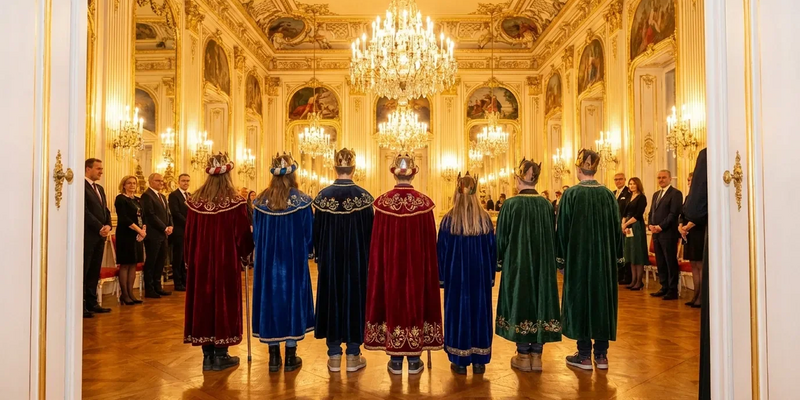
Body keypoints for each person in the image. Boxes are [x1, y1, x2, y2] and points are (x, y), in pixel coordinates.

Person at [364, 154, 443, 375]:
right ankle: (415, 358)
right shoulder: (425, 205)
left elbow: (376, 247)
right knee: (415, 303)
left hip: (389, 270)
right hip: (418, 270)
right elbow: (430, 248)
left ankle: (396, 360)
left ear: (393, 173)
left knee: (393, 302)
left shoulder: (382, 204)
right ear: (414, 173)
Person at [184, 153, 254, 371]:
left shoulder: (195, 201)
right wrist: (246, 254)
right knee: (224, 303)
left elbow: (188, 235)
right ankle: (221, 354)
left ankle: (207, 355)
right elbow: (242, 236)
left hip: (200, 262)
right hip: (225, 262)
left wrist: (189, 259)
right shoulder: (235, 202)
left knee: (203, 303)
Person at [557, 149, 623, 370]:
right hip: (604, 261)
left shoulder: (571, 194)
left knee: (581, 301)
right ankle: (602, 355)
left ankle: (584, 355)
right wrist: (617, 258)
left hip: (578, 260)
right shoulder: (608, 195)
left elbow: (563, 231)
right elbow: (617, 230)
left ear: (578, 169)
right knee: (601, 301)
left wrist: (561, 260)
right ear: (595, 169)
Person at [496, 159, 562, 372]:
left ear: (518, 179)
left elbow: (502, 239)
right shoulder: (545, 204)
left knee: (520, 302)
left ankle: (523, 355)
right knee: (539, 302)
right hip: (542, 266)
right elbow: (552, 236)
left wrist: (498, 263)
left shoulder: (510, 204)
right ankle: (537, 356)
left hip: (518, 266)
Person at [312, 148, 374, 373]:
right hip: (357, 262)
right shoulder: (364, 198)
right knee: (355, 301)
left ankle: (334, 355)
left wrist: (319, 256)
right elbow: (371, 236)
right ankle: (353, 354)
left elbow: (316, 234)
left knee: (332, 300)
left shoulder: (322, 197)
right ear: (354, 168)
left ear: (334, 167)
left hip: (329, 262)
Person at [252, 153, 315, 373]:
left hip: (268, 263)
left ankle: (273, 357)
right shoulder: (302, 201)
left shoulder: (260, 201)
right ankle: (290, 356)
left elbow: (256, 236)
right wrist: (307, 253)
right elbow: (309, 236)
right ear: (293, 174)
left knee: (270, 302)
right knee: (292, 302)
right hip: (293, 263)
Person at [438, 172, 496, 375]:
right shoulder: (485, 220)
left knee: (458, 314)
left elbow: (442, 252)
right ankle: (479, 360)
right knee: (480, 313)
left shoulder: (448, 220)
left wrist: (442, 279)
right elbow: (491, 252)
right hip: (479, 279)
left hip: (456, 280)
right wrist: (490, 277)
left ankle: (460, 361)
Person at [684, 149, 708, 400]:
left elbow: (694, 209)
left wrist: (686, 223)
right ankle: (698, 296)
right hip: (692, 232)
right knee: (696, 266)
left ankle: (701, 297)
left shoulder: (707, 155)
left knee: (701, 267)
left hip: (701, 231)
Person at [648, 169, 683, 300]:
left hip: (668, 233)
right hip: (656, 234)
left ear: (670, 179)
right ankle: (664, 286)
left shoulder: (676, 193)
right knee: (660, 262)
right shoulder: (656, 194)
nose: (661, 180)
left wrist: (660, 226)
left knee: (670, 262)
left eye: (663, 177)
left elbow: (673, 214)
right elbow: (651, 212)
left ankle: (672, 290)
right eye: (659, 178)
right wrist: (651, 224)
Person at [84, 158, 112, 317]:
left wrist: (108, 225)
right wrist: (99, 227)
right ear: (88, 169)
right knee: (86, 270)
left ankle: (92, 302)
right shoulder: (81, 186)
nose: (101, 171)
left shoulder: (100, 188)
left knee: (95, 270)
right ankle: (82, 305)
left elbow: (105, 210)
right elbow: (85, 211)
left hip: (101, 236)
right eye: (98, 169)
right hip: (89, 235)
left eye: (101, 169)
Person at [114, 175, 146, 305]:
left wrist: (143, 231)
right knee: (125, 264)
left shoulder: (138, 200)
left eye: (134, 183)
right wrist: (139, 230)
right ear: (124, 185)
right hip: (125, 234)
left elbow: (143, 217)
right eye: (129, 183)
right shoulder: (120, 199)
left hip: (137, 235)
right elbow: (124, 218)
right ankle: (125, 294)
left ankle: (131, 293)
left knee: (133, 264)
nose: (132, 185)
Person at [141, 173, 173, 298]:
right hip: (153, 234)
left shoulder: (162, 196)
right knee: (152, 261)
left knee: (161, 261)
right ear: (150, 181)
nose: (161, 183)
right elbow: (150, 215)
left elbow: (168, 214)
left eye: (162, 181)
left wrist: (170, 226)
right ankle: (149, 289)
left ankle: (158, 286)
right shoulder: (146, 196)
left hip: (163, 234)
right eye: (158, 181)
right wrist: (164, 227)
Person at [679, 173, 706, 308]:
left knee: (700, 266)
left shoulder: (702, 196)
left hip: (698, 233)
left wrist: (687, 226)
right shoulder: (689, 197)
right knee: (693, 266)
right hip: (687, 234)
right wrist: (680, 227)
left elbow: (701, 214)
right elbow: (682, 214)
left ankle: (701, 297)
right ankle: (695, 295)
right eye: (688, 180)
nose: (689, 182)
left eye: (691, 180)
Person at [621, 177, 649, 290]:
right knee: (631, 254)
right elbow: (624, 212)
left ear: (638, 185)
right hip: (627, 226)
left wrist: (626, 224)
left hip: (636, 226)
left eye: (634, 184)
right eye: (630, 184)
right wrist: (623, 225)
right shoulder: (628, 197)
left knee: (638, 254)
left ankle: (639, 281)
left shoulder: (642, 197)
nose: (632, 186)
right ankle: (633, 280)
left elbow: (638, 215)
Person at [168, 173, 190, 292]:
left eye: (187, 181)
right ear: (178, 182)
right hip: (179, 230)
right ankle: (178, 282)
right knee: (178, 257)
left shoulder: (190, 195)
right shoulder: (174, 195)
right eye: (183, 181)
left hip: (188, 231)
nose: (185, 183)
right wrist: (188, 222)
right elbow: (175, 212)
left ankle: (185, 281)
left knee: (185, 257)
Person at [613, 173, 633, 285]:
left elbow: (628, 210)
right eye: (616, 179)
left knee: (626, 252)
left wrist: (624, 224)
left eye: (620, 179)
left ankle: (627, 276)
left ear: (625, 180)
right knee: (617, 252)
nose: (618, 181)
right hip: (615, 227)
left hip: (625, 226)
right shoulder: (613, 193)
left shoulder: (629, 193)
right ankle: (618, 275)